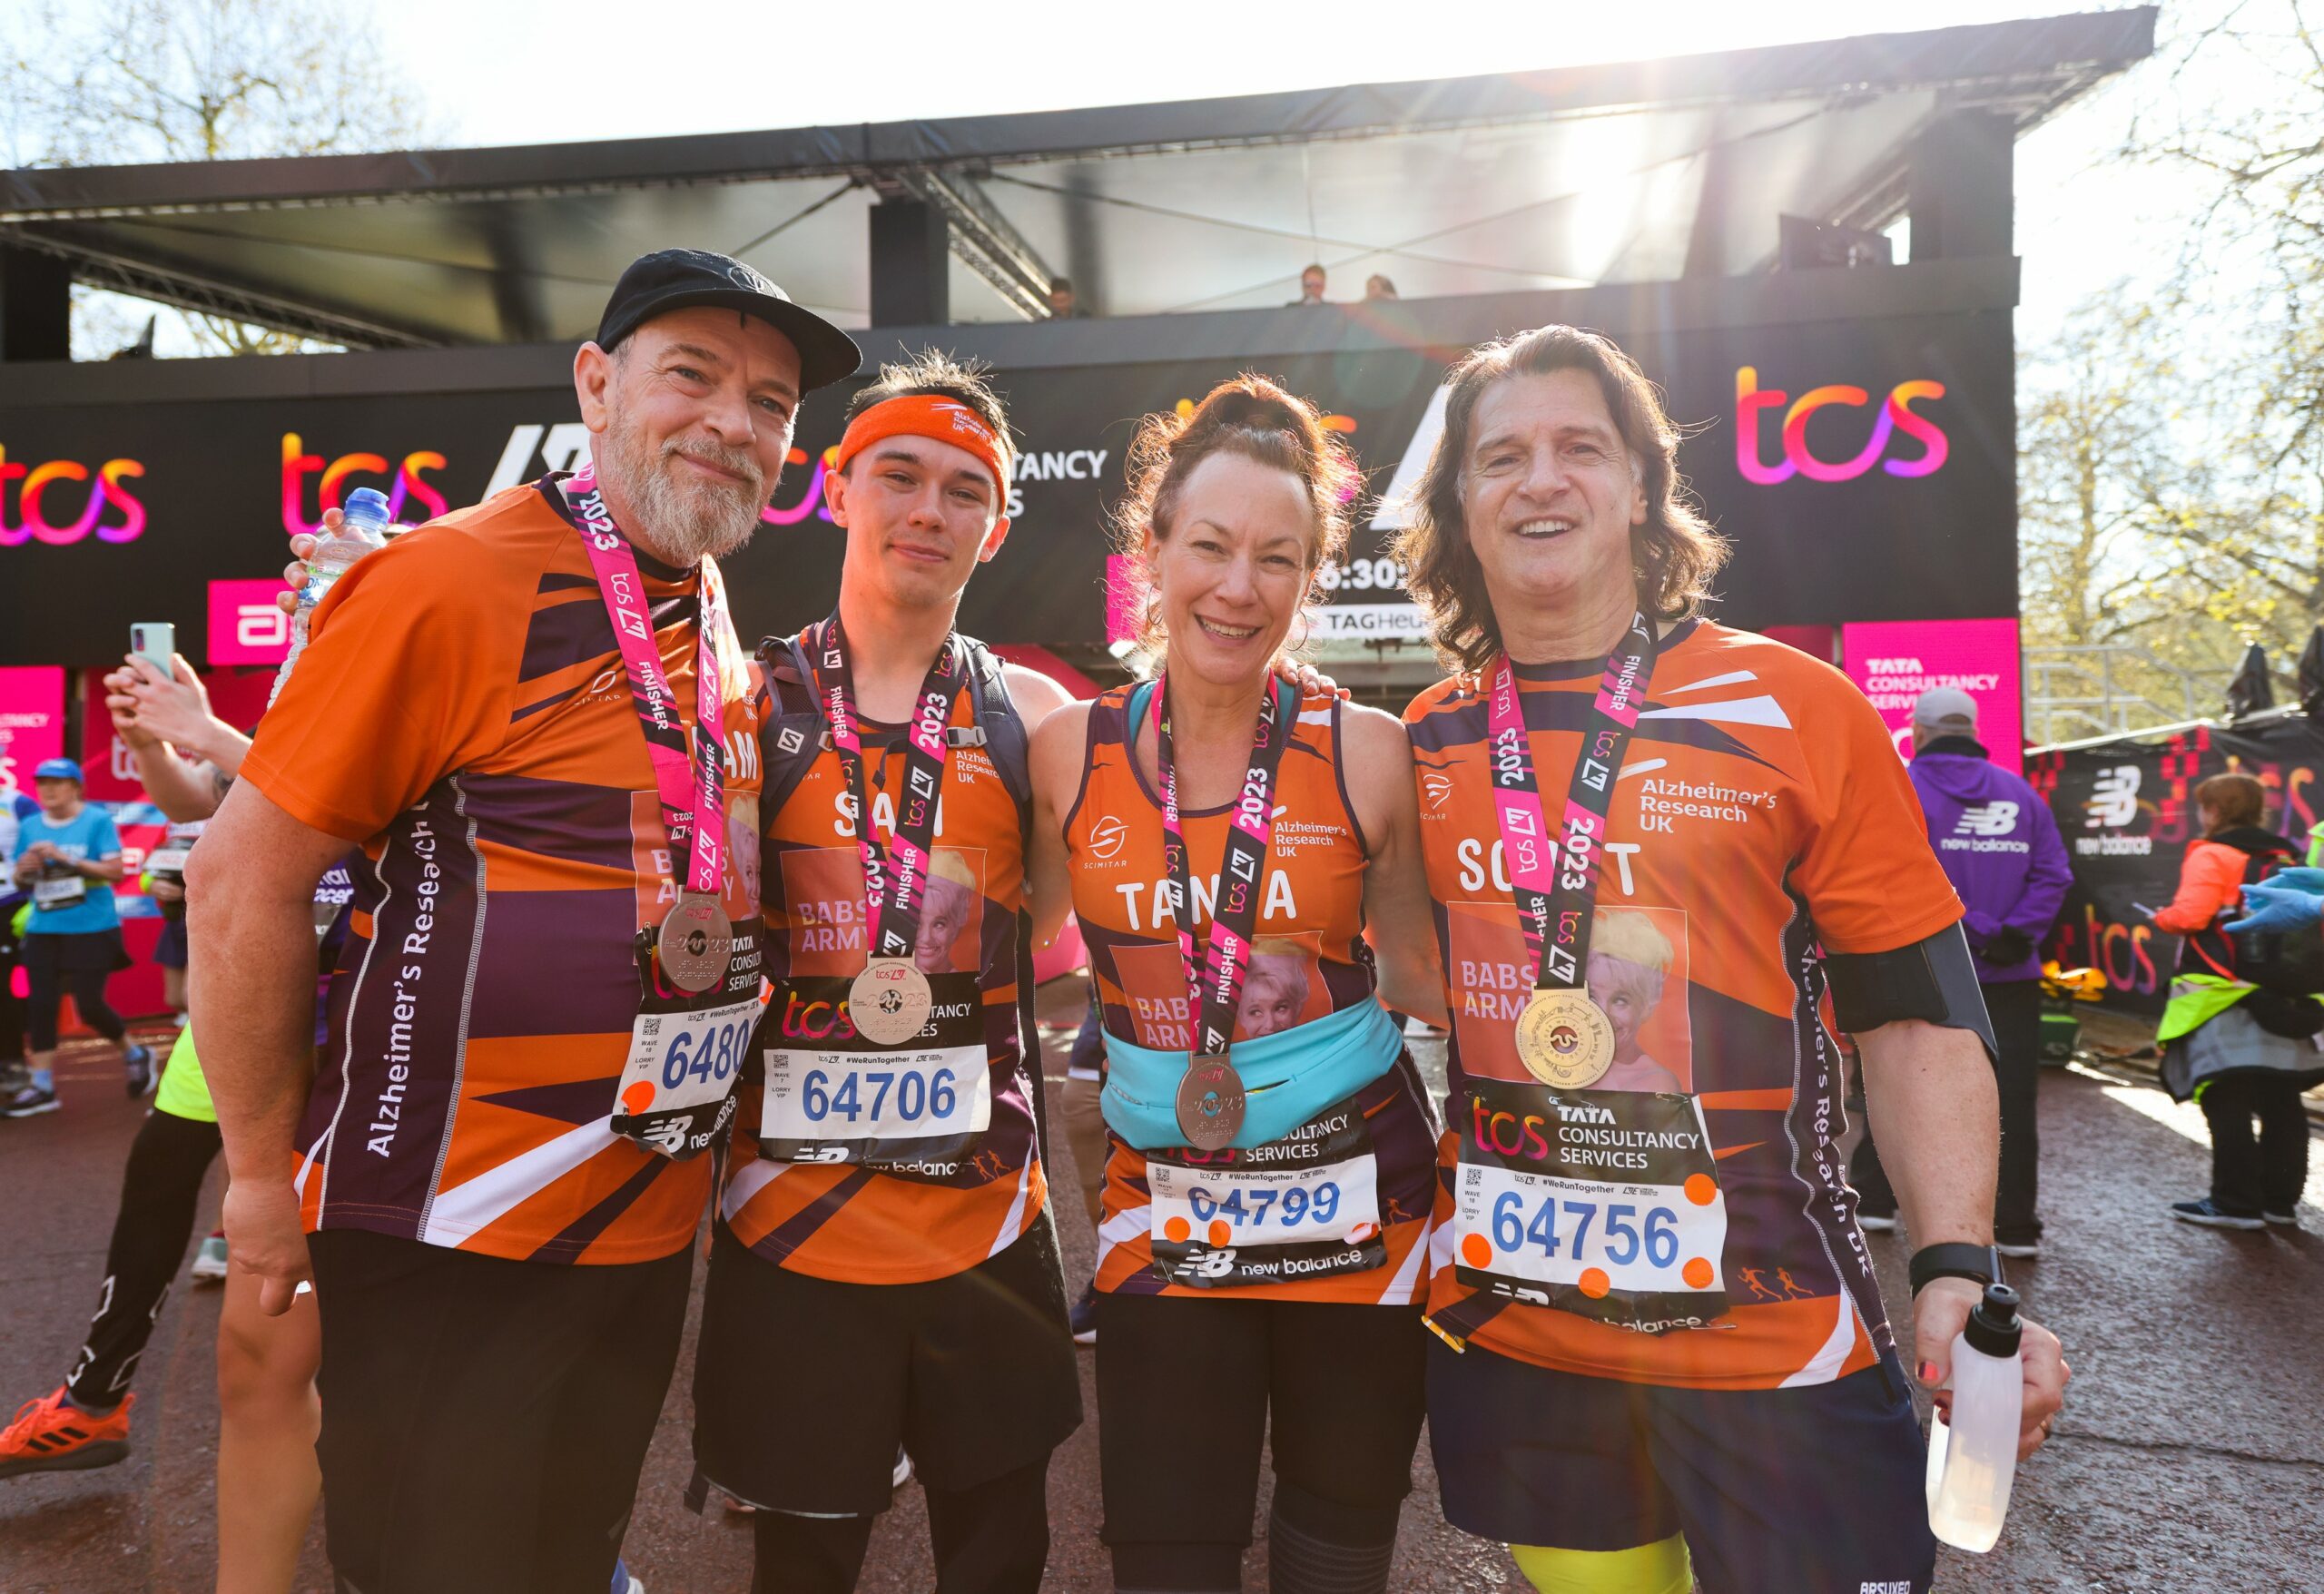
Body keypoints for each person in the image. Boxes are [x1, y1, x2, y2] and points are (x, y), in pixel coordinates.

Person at [187, 248, 861, 1594]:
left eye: (775, 403)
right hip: (456, 1230)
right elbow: (241, 882)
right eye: (696, 375)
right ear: (596, 384)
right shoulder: (449, 580)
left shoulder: (709, 607)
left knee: (564, 1560)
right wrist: (260, 1184)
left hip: (635, 1221)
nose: (737, 421)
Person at [1391, 324, 2068, 1594]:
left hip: (1772, 1339)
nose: (1542, 480)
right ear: (1459, 505)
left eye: (1579, 447)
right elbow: (1411, 982)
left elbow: (1915, 1017)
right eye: (1501, 457)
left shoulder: (1800, 708)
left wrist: (1956, 1270)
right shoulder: (1425, 739)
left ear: (1641, 488)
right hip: (1529, 1338)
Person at [1028, 376, 1449, 1594]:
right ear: (1152, 553)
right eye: (1209, 546)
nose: (1237, 586)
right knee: (1167, 1548)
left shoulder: (1363, 749)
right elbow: (1024, 959)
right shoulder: (1070, 751)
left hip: (1361, 1199)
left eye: (1278, 557)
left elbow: (1421, 974)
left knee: (1336, 1545)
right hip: (1167, 1207)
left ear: (1309, 575)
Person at [690, 352, 1086, 1594]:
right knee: (803, 1565)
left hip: (986, 1221)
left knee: (998, 1561)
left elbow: (1057, 937)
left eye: (963, 489)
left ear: (998, 523)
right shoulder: (745, 704)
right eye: (900, 476)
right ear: (839, 488)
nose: (929, 509)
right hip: (793, 1232)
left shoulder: (1032, 712)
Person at [2, 653, 335, 1593]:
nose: (305, 569)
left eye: (326, 563)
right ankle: (94, 1396)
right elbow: (202, 802)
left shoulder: (402, 661)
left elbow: (337, 809)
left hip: (346, 995)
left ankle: (374, 1437)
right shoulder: (298, 678)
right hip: (242, 985)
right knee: (158, 1172)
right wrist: (155, 744)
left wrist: (205, 730)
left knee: (310, 1247)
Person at [1852, 686, 2072, 1259]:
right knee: (2012, 1097)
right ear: (1973, 729)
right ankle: (2015, 1224)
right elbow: (2053, 874)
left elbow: (1889, 871)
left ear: (1919, 732)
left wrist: (1966, 928)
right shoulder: (2022, 795)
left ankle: (1875, 1202)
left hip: (1918, 963)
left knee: (1894, 1077)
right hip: (2010, 973)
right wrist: (2011, 933)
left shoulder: (1900, 787)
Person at [2150, 772, 2324, 1229]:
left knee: (2225, 1093)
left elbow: (2191, 915)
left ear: (2213, 810)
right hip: (2281, 990)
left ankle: (2235, 1203)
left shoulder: (2212, 852)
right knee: (2281, 1097)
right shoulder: (2285, 855)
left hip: (2221, 992)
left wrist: (2162, 919)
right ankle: (2280, 1204)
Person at [4, 756, 154, 1116]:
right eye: (42, 783)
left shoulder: (96, 820)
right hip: (43, 926)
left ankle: (134, 1053)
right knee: (41, 1004)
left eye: (56, 782)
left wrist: (64, 858)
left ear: (76, 787)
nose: (48, 790)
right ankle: (42, 1085)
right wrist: (24, 871)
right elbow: (23, 879)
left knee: (88, 1004)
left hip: (91, 926)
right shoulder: (30, 825)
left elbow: (116, 871)